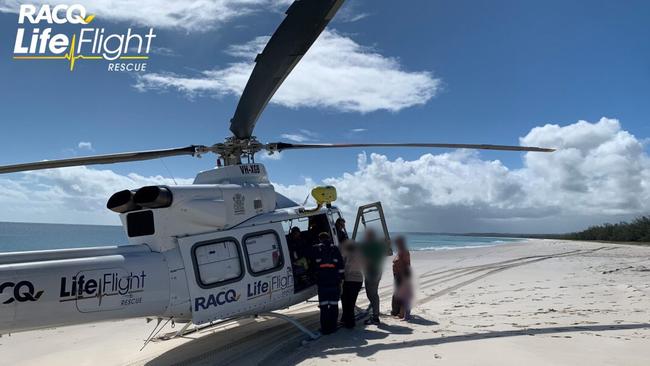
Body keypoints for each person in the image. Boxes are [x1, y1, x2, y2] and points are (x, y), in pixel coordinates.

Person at [311, 232, 345, 334]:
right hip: (334, 282)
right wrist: (341, 279)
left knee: (324, 306)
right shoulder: (335, 249)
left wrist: (314, 277)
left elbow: (312, 265)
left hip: (322, 283)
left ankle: (325, 328)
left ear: (320, 239)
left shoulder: (316, 249)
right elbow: (341, 265)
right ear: (329, 238)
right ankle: (333, 326)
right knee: (334, 305)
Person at [361, 230, 388, 325]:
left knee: (371, 294)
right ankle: (375, 314)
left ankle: (375, 316)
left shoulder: (368, 245)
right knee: (374, 293)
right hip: (378, 271)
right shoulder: (379, 245)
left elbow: (359, 251)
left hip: (371, 271)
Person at [340, 239, 363, 328]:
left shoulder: (346, 255)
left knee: (346, 301)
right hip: (358, 281)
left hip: (349, 280)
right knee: (351, 302)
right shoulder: (359, 254)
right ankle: (346, 320)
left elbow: (343, 267)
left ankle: (349, 322)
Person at [391, 236, 411, 316]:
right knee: (397, 293)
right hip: (397, 275)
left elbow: (407, 264)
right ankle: (396, 311)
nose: (396, 244)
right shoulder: (400, 251)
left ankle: (399, 312)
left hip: (401, 275)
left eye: (398, 243)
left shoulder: (404, 251)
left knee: (399, 293)